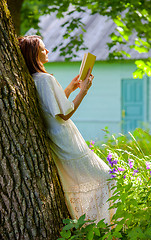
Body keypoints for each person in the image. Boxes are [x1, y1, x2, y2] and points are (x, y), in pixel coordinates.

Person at [18, 35, 115, 224]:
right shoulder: (45, 79)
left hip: (57, 138)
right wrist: (83, 91)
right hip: (66, 139)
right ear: (33, 53)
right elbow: (64, 114)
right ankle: (104, 225)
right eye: (43, 49)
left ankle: (92, 223)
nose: (47, 51)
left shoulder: (35, 79)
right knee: (107, 177)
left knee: (80, 182)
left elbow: (52, 107)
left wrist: (70, 88)